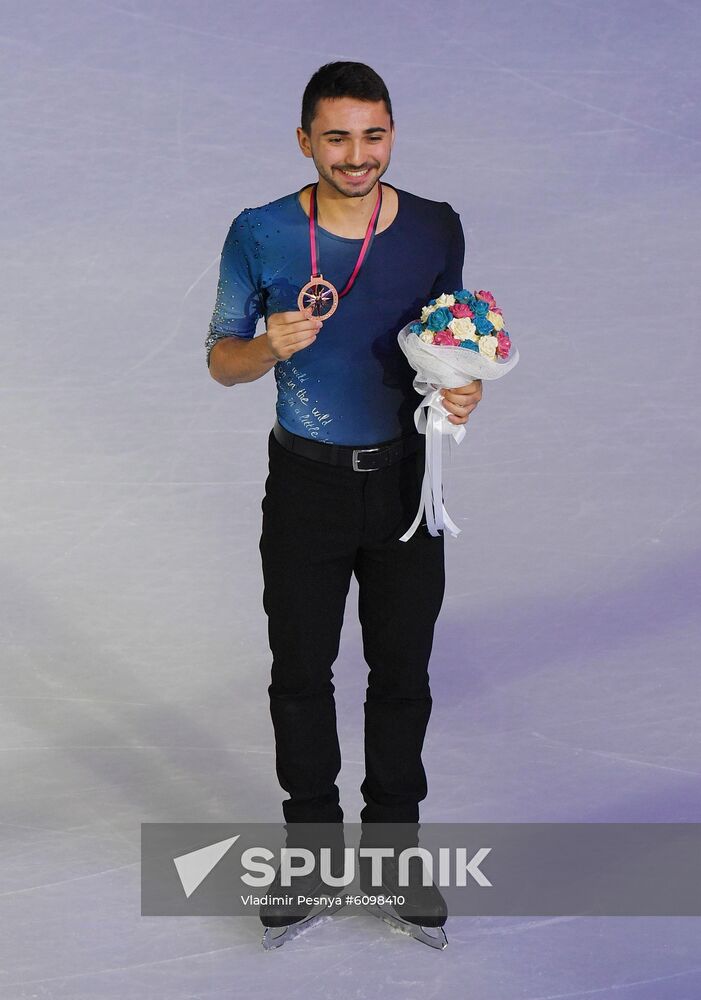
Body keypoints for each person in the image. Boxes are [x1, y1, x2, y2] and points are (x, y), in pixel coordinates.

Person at [206, 62, 482, 948]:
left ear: (391, 133)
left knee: (402, 676)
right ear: (304, 141)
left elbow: (448, 345)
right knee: (301, 673)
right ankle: (312, 852)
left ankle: (395, 856)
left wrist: (463, 389)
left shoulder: (435, 227)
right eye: (335, 137)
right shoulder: (261, 233)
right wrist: (264, 346)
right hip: (307, 487)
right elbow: (221, 361)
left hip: (405, 482)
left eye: (372, 135)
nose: (355, 155)